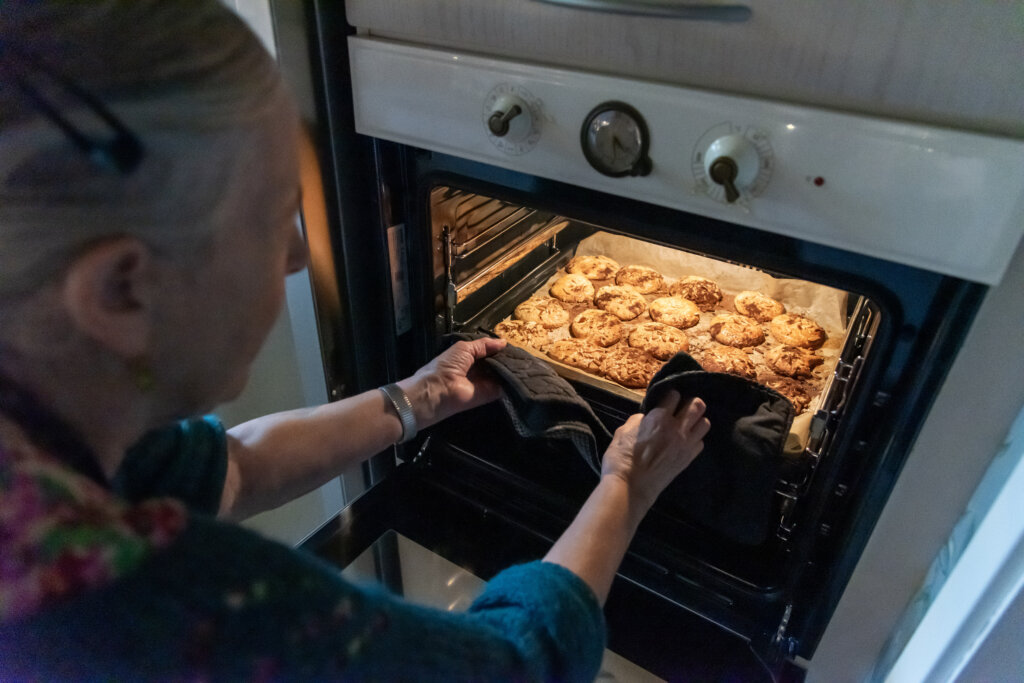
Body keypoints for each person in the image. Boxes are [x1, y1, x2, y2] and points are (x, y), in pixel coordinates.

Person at [0, 1, 710, 680]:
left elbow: (232, 467)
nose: (299, 257)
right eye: (278, 218)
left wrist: (417, 398)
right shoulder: (159, 616)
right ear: (121, 289)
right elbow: (515, 666)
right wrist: (627, 483)